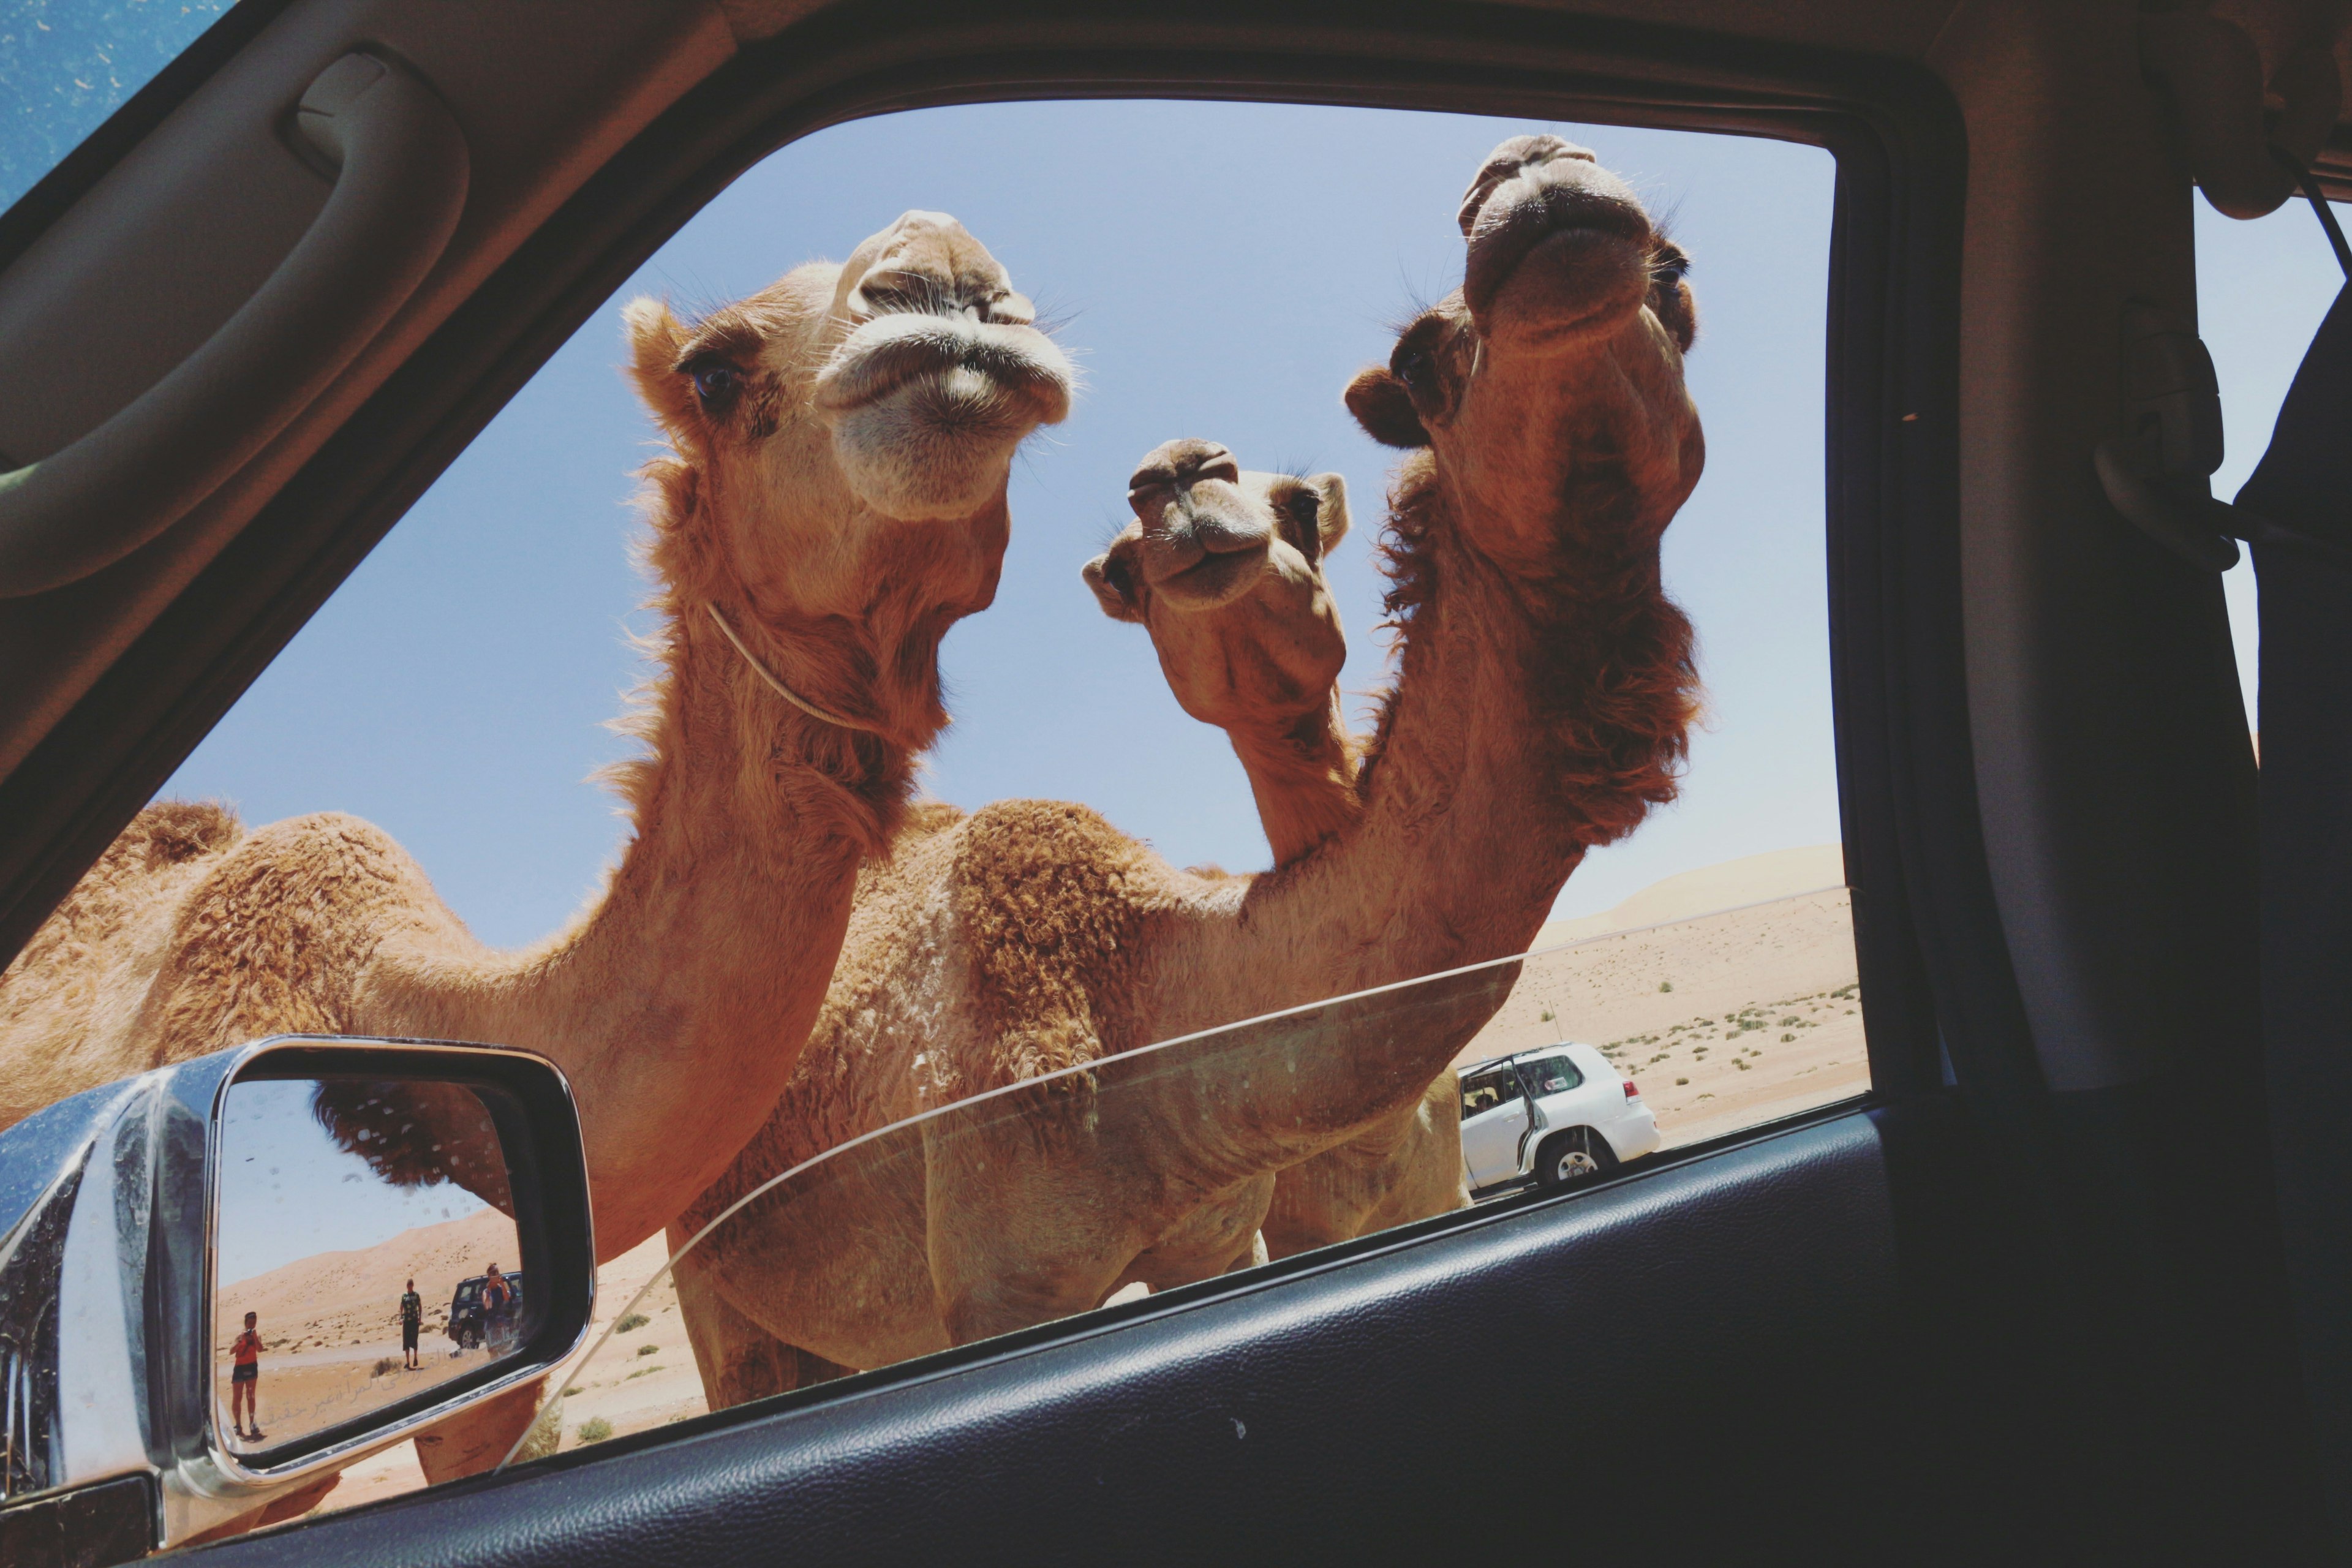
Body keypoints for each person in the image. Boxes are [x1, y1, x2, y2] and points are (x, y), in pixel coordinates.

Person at [229, 1311, 265, 1441]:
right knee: (237, 1397)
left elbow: (260, 1349)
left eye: (254, 1323)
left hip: (252, 1367)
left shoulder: (257, 1335)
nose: (252, 1325)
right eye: (250, 1323)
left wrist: (255, 1338)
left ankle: (252, 1423)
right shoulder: (240, 1335)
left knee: (251, 1396)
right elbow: (231, 1351)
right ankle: (238, 1425)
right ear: (246, 1323)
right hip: (239, 1368)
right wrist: (240, 1342)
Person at [481, 1262, 512, 1351]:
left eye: (496, 1272)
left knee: (506, 1351)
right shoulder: (486, 1292)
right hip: (491, 1326)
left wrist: (502, 1284)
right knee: (493, 1354)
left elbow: (507, 1298)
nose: (495, 1275)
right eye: (492, 1273)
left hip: (502, 1324)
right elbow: (487, 1307)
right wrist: (489, 1291)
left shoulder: (501, 1288)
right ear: (489, 1276)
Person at [399, 1277, 423, 1370]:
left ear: (413, 1285)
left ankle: (416, 1358)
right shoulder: (404, 1296)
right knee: (406, 1342)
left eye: (411, 1285)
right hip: (407, 1322)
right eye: (408, 1285)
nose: (409, 1286)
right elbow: (401, 1308)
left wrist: (420, 1317)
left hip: (414, 1321)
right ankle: (408, 1362)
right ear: (407, 1286)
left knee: (414, 1339)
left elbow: (420, 1306)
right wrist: (400, 1318)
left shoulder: (416, 1295)